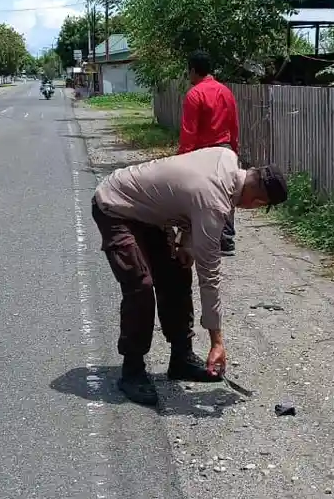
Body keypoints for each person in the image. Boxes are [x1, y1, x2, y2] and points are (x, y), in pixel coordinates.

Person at [91, 147, 289, 406]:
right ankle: (132, 370)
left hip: (148, 211)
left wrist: (185, 242)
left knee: (177, 272)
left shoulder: (226, 157)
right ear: (258, 202)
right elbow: (209, 278)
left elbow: (186, 196)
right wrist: (217, 342)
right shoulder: (215, 204)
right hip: (115, 205)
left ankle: (181, 358)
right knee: (140, 285)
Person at [178, 51, 239, 256]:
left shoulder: (194, 94)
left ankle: (204, 235)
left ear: (194, 71)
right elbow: (234, 124)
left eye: (189, 71)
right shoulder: (225, 91)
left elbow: (189, 131)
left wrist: (182, 158)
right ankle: (227, 238)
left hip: (205, 152)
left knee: (203, 195)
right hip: (226, 149)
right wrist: (234, 150)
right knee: (227, 194)